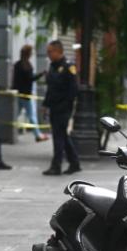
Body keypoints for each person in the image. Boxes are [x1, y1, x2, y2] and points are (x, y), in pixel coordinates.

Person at [42, 40, 81, 176]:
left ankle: (56, 166)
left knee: (58, 136)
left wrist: (66, 106)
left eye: (50, 52)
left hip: (63, 108)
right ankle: (74, 163)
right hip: (54, 106)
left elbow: (73, 90)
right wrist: (45, 105)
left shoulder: (68, 66)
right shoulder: (53, 66)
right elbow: (51, 89)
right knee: (62, 136)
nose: (48, 54)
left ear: (58, 51)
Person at [12, 45, 48, 142]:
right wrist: (41, 74)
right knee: (32, 115)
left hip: (18, 93)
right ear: (29, 54)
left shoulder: (17, 65)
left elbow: (15, 80)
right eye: (31, 52)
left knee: (15, 114)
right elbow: (31, 79)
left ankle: (6, 132)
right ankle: (38, 135)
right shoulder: (27, 66)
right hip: (26, 95)